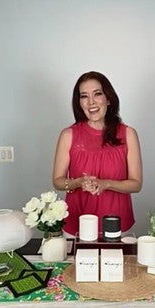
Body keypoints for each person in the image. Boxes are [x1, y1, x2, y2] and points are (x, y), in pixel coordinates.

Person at [52, 71, 143, 238]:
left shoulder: (128, 134)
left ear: (108, 99)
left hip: (118, 225)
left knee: (117, 264)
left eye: (97, 94)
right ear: (79, 103)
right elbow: (57, 181)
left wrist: (106, 184)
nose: (91, 102)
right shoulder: (68, 135)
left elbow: (136, 184)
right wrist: (78, 182)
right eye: (84, 96)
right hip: (76, 225)